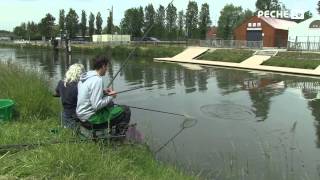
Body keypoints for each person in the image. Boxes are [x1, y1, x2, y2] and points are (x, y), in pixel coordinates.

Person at [76, 55, 131, 136]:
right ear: (103, 66)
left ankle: (109, 131)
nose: (107, 69)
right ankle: (119, 137)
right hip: (90, 120)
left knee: (110, 104)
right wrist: (111, 96)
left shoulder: (86, 76)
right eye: (107, 67)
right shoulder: (97, 80)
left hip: (80, 115)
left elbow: (88, 92)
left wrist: (103, 92)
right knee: (126, 110)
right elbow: (96, 106)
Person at [54, 63, 85, 130]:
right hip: (76, 115)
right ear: (80, 74)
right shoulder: (79, 86)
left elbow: (57, 92)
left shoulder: (61, 83)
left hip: (65, 114)